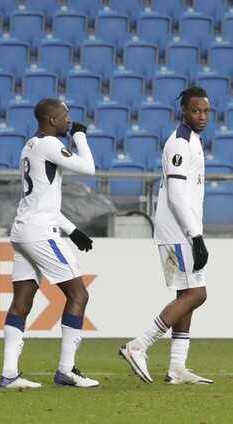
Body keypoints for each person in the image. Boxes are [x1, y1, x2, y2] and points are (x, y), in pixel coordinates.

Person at [0, 98, 98, 389]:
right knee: (79, 295)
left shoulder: (30, 145)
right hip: (40, 232)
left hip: (22, 230)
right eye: (65, 116)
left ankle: (9, 374)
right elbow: (89, 168)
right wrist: (80, 136)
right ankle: (66, 370)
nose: (69, 120)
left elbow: (42, 200)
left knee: (22, 302)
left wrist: (72, 230)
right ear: (52, 120)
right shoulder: (51, 144)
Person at [119, 85, 212, 385]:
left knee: (186, 295)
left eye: (206, 111)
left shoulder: (192, 140)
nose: (202, 116)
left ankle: (177, 369)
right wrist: (196, 237)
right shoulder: (180, 144)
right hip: (179, 232)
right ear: (184, 111)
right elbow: (175, 195)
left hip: (184, 230)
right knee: (197, 294)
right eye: (196, 111)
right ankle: (138, 345)